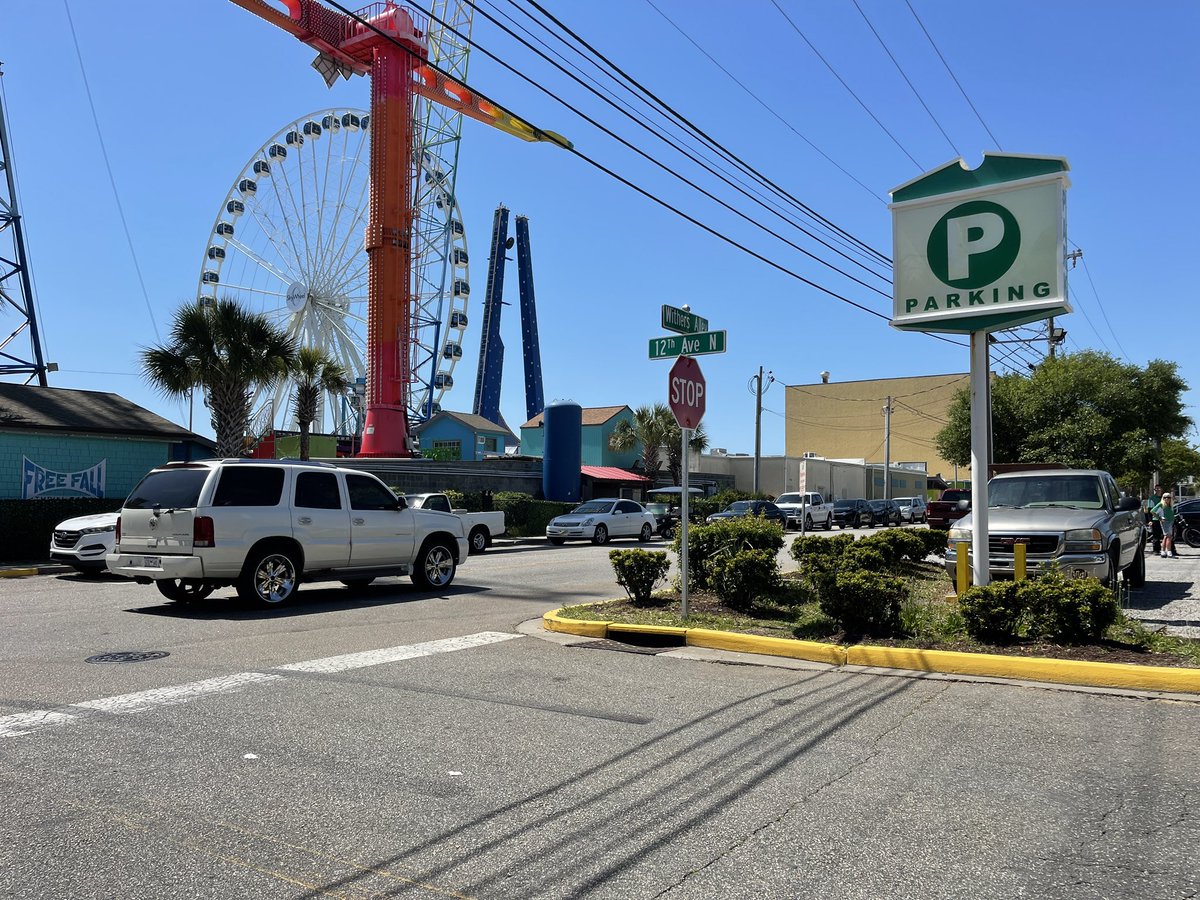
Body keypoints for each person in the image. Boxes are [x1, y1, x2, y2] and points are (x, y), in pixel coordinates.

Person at [1155, 492, 1178, 558]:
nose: (1167, 499)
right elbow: (1153, 511)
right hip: (1165, 522)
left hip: (1170, 521)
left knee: (1166, 536)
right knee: (1169, 537)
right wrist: (1159, 518)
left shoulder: (1170, 505)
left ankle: (1163, 551)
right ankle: (1169, 551)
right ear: (1163, 498)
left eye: (1168, 497)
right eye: (1165, 497)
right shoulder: (1161, 504)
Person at [1145, 484, 1164, 554]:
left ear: (1161, 489)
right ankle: (1156, 550)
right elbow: (1150, 510)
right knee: (1156, 535)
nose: (1157, 490)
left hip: (1164, 518)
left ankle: (1170, 550)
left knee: (1168, 535)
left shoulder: (1164, 497)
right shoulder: (1152, 498)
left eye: (1159, 488)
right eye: (1156, 489)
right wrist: (1150, 520)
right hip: (1155, 519)